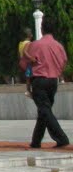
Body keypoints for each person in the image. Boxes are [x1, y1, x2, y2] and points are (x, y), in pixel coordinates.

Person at [19, 19, 69, 149]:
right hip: (53, 81)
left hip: (39, 80)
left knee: (44, 110)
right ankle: (36, 141)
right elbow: (64, 62)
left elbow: (25, 64)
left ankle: (62, 138)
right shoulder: (59, 46)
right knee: (44, 110)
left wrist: (28, 82)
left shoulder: (35, 45)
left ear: (42, 29)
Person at [18, 27, 34, 96]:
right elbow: (25, 52)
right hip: (28, 63)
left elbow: (19, 54)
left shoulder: (21, 43)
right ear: (29, 35)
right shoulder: (28, 43)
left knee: (27, 78)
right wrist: (31, 58)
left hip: (22, 62)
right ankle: (30, 90)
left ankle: (28, 90)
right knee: (31, 77)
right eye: (31, 34)